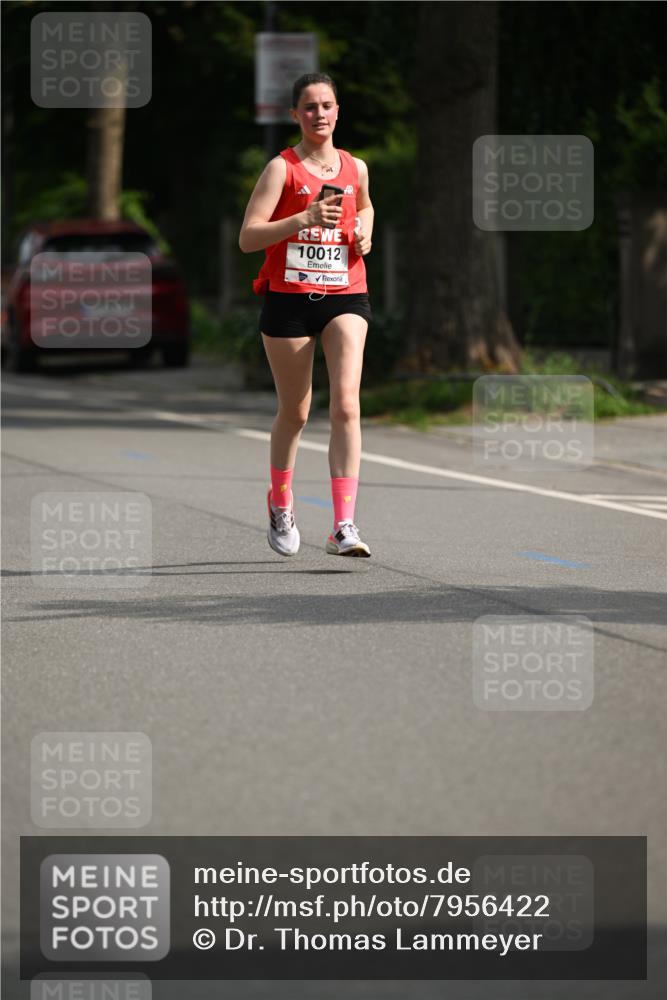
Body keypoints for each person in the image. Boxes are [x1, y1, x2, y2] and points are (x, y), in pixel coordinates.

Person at [239, 72, 373, 558]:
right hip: (289, 297)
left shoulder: (355, 167)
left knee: (346, 404)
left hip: (345, 292)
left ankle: (343, 525)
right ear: (295, 115)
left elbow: (367, 208)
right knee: (295, 412)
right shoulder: (282, 169)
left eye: (327, 105)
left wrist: (364, 234)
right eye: (310, 107)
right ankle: (280, 502)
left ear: (339, 112)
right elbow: (248, 237)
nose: (319, 114)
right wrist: (302, 220)